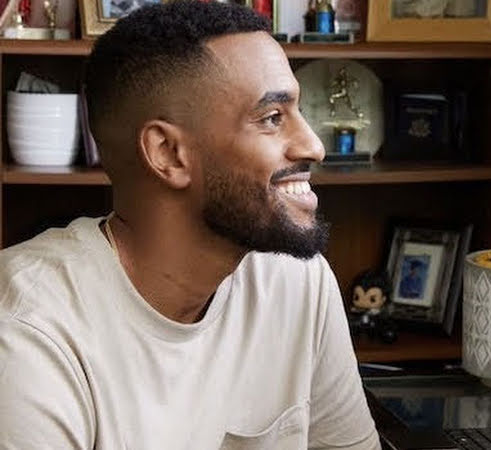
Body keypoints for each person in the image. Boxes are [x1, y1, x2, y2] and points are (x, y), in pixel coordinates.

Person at [0, 2, 380, 449]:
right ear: (168, 154)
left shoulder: (298, 279)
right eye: (272, 118)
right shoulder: (27, 334)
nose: (314, 146)